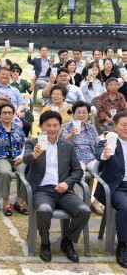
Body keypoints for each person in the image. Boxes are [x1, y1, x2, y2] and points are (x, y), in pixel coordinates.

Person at [23, 111, 91, 263]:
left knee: (84, 211)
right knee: (45, 210)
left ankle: (67, 241)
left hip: (63, 189)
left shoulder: (67, 146)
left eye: (55, 125)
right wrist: (34, 155)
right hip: (42, 190)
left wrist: (67, 183)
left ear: (60, 127)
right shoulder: (33, 143)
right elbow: (26, 159)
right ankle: (45, 244)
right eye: (48, 125)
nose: (52, 129)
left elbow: (78, 170)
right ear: (40, 126)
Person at [94, 110, 127, 268]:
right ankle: (122, 246)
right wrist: (105, 155)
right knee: (125, 207)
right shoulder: (108, 141)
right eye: (124, 124)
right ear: (115, 126)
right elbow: (99, 153)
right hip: (117, 186)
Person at [59, 101, 102, 214]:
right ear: (73, 114)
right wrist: (72, 135)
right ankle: (79, 203)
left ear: (88, 114)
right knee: (79, 174)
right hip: (76, 158)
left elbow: (98, 144)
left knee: (105, 173)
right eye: (78, 112)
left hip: (91, 157)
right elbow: (61, 143)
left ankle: (96, 201)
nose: (81, 115)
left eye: (84, 112)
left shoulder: (91, 128)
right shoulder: (66, 127)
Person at [0, 67, 31, 136]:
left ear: (10, 77)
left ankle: (20, 143)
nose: (5, 76)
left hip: (13, 114)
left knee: (26, 125)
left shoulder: (15, 90)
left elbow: (21, 104)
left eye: (7, 75)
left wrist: (18, 110)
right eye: (3, 74)